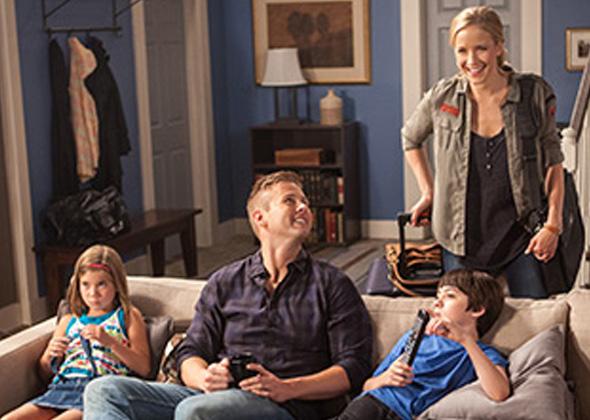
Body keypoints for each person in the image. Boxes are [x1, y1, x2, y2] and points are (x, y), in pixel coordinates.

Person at [83, 170, 373, 420]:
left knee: (196, 411)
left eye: (305, 202)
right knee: (103, 390)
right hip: (214, 397)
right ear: (260, 218)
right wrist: (204, 377)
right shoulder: (224, 282)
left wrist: (288, 388)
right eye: (290, 200)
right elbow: (191, 351)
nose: (303, 207)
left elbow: (354, 367)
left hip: (286, 406)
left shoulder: (332, 284)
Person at [402, 5, 564, 298]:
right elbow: (410, 138)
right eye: (462, 51)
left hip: (522, 236)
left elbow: (553, 160)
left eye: (481, 48)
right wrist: (429, 192)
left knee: (537, 317)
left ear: (499, 47)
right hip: (459, 239)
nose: (471, 60)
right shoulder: (442, 97)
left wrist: (553, 224)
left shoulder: (533, 94)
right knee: (462, 317)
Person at [336, 269, 509, 420]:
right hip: (374, 403)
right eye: (437, 296)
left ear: (477, 309)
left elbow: (499, 393)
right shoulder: (418, 337)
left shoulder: (482, 354)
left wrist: (466, 340)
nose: (437, 303)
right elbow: (367, 386)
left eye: (449, 296)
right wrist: (386, 377)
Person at [2, 245, 150, 420]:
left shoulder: (127, 316)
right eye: (85, 284)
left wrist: (110, 342)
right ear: (77, 285)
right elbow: (44, 373)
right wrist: (50, 355)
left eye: (101, 284)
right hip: (61, 388)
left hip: (98, 391)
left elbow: (144, 368)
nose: (93, 293)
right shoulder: (68, 321)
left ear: (117, 284)